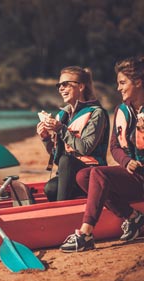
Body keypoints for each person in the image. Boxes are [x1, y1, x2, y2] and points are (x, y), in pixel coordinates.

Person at [60, 56, 144, 253]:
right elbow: (114, 147)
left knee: (98, 173)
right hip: (134, 175)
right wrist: (126, 161)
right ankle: (133, 217)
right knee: (83, 176)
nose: (118, 88)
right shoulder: (122, 110)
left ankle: (86, 234)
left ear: (139, 82)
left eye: (123, 83)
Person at [36, 66, 110, 202]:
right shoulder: (62, 115)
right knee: (50, 189)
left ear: (80, 87)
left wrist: (61, 129)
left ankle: (61, 210)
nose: (60, 88)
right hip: (69, 172)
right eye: (59, 85)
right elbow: (56, 156)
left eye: (65, 84)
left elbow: (86, 148)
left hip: (90, 172)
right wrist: (46, 138)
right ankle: (71, 205)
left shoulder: (96, 113)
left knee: (66, 160)